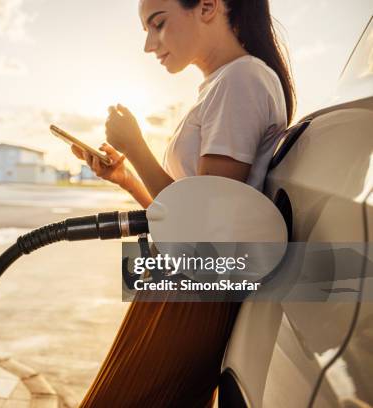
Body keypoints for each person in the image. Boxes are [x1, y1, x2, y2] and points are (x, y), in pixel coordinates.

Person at [71, 0, 294, 406]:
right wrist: (127, 177)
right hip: (177, 282)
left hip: (192, 292)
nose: (149, 45)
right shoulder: (223, 83)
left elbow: (203, 219)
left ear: (208, 7)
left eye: (158, 24)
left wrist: (137, 146)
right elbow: (181, 211)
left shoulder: (242, 79)